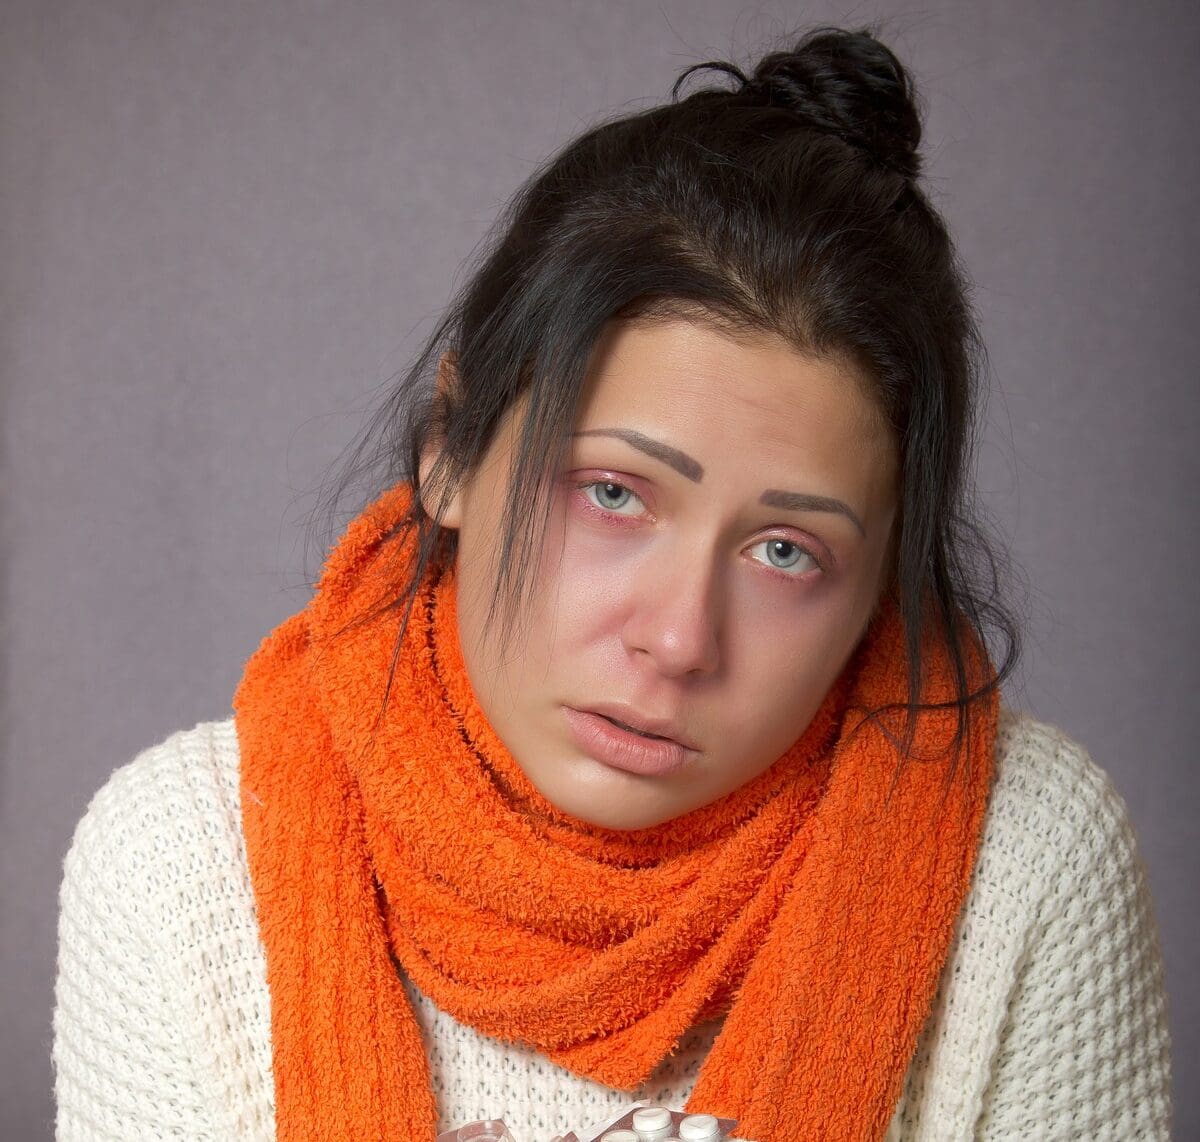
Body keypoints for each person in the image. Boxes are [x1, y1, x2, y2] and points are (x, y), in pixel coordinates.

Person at [52, 25, 1173, 1142]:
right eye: (614, 493)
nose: (681, 639)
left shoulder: (1027, 858)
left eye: (788, 550)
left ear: (881, 586)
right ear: (451, 446)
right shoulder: (182, 863)